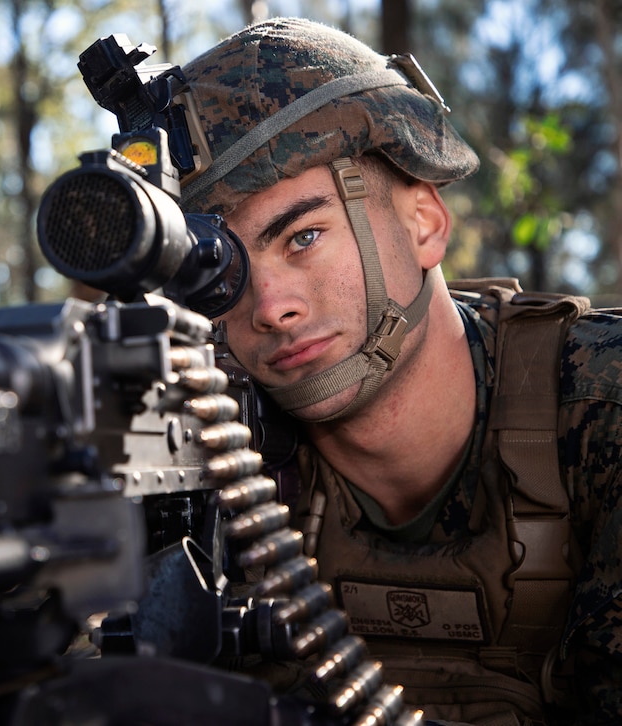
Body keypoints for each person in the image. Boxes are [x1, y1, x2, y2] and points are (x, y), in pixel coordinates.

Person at [176, 17, 622, 725]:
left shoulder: (602, 403)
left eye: (303, 237)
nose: (268, 307)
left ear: (424, 223)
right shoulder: (206, 455)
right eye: (224, 274)